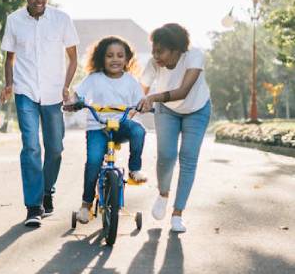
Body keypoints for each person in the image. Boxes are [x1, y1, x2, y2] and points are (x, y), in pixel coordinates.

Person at [0, 0, 79, 227]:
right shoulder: (14, 20)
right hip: (25, 92)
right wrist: (9, 84)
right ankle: (33, 206)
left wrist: (67, 86)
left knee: (55, 149)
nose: (39, 0)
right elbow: (9, 58)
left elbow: (73, 57)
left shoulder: (62, 19)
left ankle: (47, 192)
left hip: (54, 93)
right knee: (32, 147)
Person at [65, 36, 147, 224]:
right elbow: (78, 95)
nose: (115, 59)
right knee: (94, 162)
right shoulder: (94, 78)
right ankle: (86, 205)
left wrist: (142, 106)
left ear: (127, 60)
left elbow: (140, 101)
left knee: (139, 131)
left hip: (121, 125)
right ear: (102, 58)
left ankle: (135, 169)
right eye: (110, 56)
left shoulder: (131, 81)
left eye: (120, 55)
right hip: (98, 126)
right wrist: (73, 102)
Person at [138, 23, 211, 233]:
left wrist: (153, 97)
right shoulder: (154, 63)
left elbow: (183, 91)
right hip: (167, 111)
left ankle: (178, 214)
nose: (155, 55)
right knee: (166, 155)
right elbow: (140, 90)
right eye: (153, 50)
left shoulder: (194, 56)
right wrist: (134, 106)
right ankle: (163, 194)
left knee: (188, 159)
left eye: (160, 51)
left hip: (197, 109)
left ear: (176, 49)